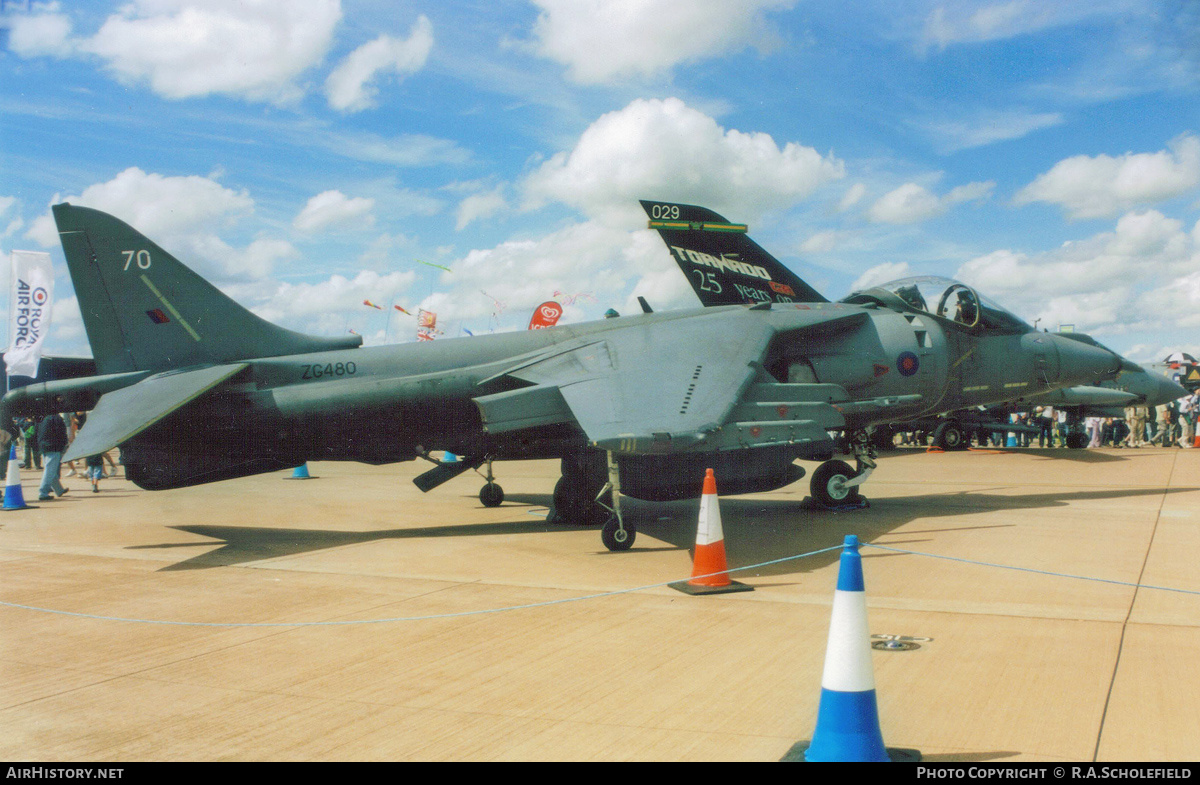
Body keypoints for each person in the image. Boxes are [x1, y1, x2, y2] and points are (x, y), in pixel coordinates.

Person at [36, 413, 70, 501]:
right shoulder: (57, 419)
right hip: (54, 447)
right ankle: (43, 492)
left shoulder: (42, 417)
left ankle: (59, 490)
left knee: (50, 470)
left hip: (44, 446)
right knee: (50, 471)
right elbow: (62, 433)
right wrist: (64, 446)